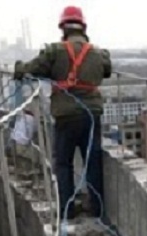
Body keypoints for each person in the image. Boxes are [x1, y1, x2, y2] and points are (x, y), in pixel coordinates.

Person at [14, 6, 112, 219]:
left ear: (63, 28)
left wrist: (19, 68)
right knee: (92, 161)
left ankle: (68, 209)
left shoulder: (54, 51)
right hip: (91, 115)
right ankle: (97, 210)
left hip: (66, 116)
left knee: (63, 163)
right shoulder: (99, 53)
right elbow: (107, 70)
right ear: (83, 27)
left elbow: (32, 69)